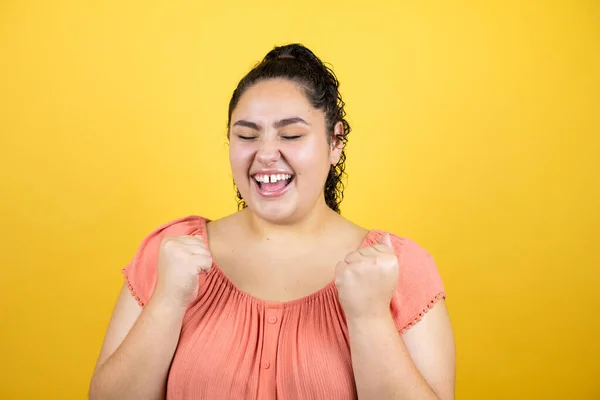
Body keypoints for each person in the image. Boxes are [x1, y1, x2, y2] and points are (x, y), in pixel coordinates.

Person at [89, 43, 456, 400]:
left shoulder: (398, 268)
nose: (265, 154)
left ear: (335, 142)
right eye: (247, 135)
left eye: (291, 135)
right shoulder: (169, 253)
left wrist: (371, 318)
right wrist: (167, 300)